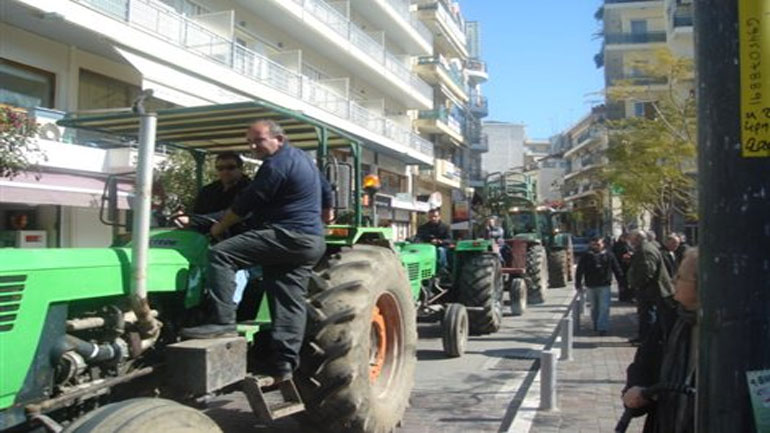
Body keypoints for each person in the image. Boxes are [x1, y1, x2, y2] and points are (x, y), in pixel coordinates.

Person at [181, 120, 333, 383]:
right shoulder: (305, 160)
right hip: (309, 240)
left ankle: (223, 321)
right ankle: (284, 364)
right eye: (249, 142)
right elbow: (327, 191)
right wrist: (326, 215)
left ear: (279, 139)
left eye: (258, 140)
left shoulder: (276, 164)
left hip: (287, 235)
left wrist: (218, 228)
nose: (253, 146)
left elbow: (247, 203)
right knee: (287, 299)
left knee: (221, 255)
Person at [621, 248, 698, 433]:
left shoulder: (741, 334)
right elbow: (643, 365)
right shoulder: (670, 320)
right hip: (665, 423)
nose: (673, 281)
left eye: (680, 277)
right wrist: (636, 390)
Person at [627, 229, 675, 345]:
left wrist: (637, 284)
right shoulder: (645, 248)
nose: (630, 241)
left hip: (652, 291)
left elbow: (647, 272)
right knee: (645, 315)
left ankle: (647, 341)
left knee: (649, 315)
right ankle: (643, 337)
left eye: (631, 239)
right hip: (649, 290)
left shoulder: (645, 250)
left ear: (638, 238)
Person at [575, 237, 624, 335]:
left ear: (603, 244)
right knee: (594, 307)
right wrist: (578, 283)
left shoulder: (609, 255)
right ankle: (596, 324)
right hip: (591, 285)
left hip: (604, 285)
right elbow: (580, 270)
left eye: (598, 244)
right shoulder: (586, 256)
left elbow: (617, 269)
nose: (596, 246)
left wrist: (621, 283)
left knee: (604, 307)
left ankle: (602, 327)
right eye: (594, 244)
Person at [613, 233, 634, 302]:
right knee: (622, 282)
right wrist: (623, 256)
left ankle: (628, 296)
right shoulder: (617, 245)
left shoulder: (628, 244)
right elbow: (616, 255)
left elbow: (631, 250)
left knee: (628, 282)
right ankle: (623, 297)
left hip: (628, 266)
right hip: (621, 266)